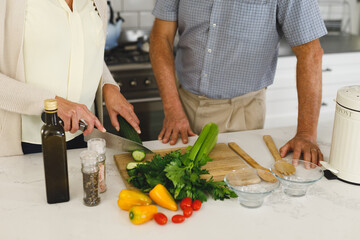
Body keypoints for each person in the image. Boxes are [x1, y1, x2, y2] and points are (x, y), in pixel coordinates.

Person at [149, 0, 327, 166]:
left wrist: (306, 134)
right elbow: (161, 36)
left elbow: (310, 53)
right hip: (181, 107)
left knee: (235, 190)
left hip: (241, 115)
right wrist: (172, 108)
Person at [0, 0, 140, 157]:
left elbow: (85, 48)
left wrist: (108, 85)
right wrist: (52, 103)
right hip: (27, 143)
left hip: (84, 136)